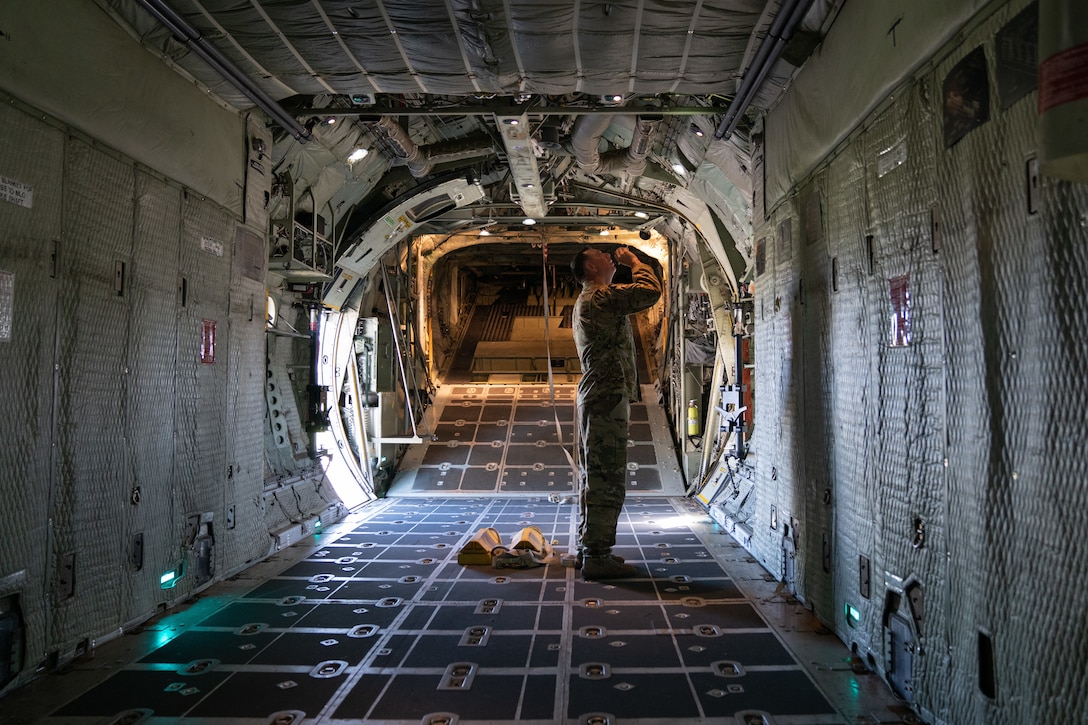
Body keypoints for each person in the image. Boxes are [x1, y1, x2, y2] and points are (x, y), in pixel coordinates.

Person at [570, 245, 662, 579]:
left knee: (596, 474)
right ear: (589, 267)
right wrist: (636, 263)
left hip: (601, 394)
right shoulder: (599, 298)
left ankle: (589, 547)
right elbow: (649, 292)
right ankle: (596, 555)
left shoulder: (594, 299)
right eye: (599, 255)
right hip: (605, 397)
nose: (608, 257)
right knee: (606, 475)